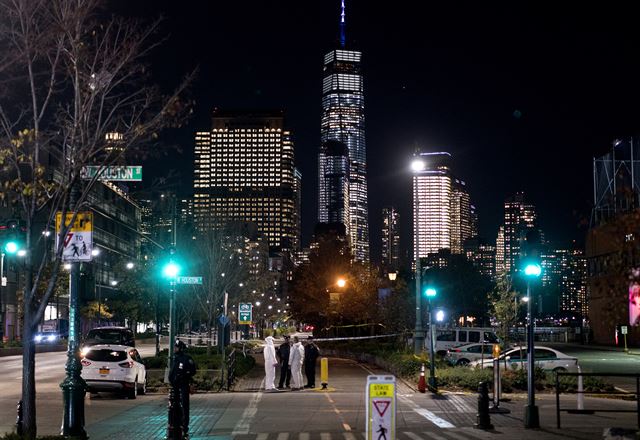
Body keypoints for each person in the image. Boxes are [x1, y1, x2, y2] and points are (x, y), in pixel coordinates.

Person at [169, 340, 197, 439]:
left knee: (185, 407)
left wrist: (185, 376)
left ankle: (184, 429)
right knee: (174, 407)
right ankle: (175, 426)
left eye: (176, 347)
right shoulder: (175, 359)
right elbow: (172, 374)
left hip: (184, 386)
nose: (175, 349)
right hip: (175, 387)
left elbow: (193, 370)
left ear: (180, 348)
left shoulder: (186, 359)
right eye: (174, 347)